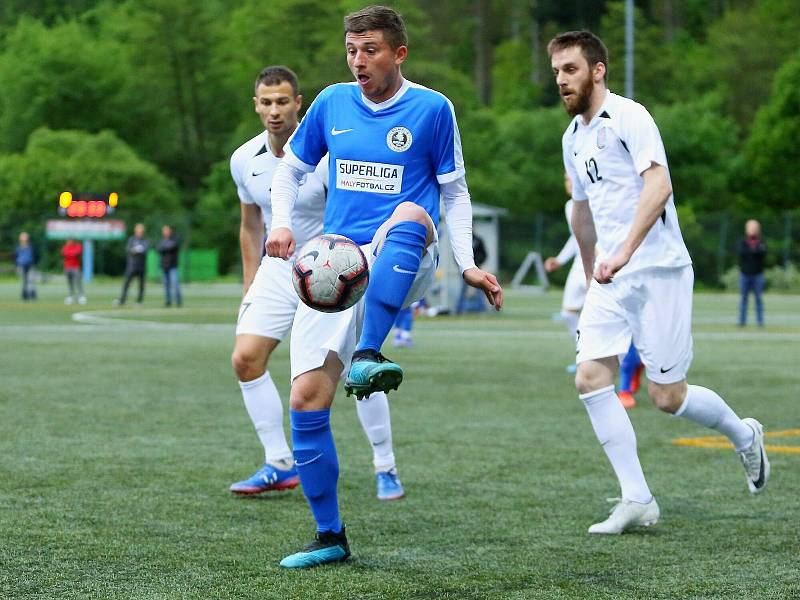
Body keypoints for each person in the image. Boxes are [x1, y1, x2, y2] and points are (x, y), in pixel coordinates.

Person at [266, 6, 503, 567]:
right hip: (335, 264)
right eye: (351, 49)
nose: (357, 60)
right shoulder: (329, 102)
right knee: (305, 400)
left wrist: (466, 262)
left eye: (369, 49)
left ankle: (371, 352)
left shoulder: (432, 108)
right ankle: (330, 538)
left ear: (398, 53)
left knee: (408, 215)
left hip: (404, 252)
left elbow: (454, 193)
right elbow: (289, 170)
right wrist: (281, 221)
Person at [550, 30, 769, 535]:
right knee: (590, 378)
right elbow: (581, 212)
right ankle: (638, 499)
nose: (561, 80)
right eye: (557, 71)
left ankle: (744, 435)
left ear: (598, 69)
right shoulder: (572, 138)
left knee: (667, 398)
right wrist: (590, 272)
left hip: (659, 271)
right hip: (610, 278)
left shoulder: (629, 116)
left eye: (571, 69)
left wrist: (623, 252)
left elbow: (659, 184)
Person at [228, 65, 406, 505]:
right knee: (245, 359)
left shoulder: (328, 158)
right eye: (266, 102)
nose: (274, 111)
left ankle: (385, 466)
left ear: (298, 103)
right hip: (277, 269)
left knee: (351, 370)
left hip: (333, 269)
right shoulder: (243, 160)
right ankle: (279, 463)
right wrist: (250, 284)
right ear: (256, 105)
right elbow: (251, 226)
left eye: (282, 101)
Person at [544, 174, 586, 373]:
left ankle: (622, 360)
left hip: (600, 263)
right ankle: (584, 356)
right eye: (566, 180)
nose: (568, 184)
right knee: (568, 313)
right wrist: (559, 260)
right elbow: (576, 238)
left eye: (572, 179)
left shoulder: (595, 200)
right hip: (580, 264)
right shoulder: (570, 206)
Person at [737, 219, 766, 327]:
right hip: (744, 274)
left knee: (758, 299)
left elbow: (762, 254)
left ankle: (760, 322)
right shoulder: (743, 242)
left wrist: (753, 251)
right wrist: (754, 251)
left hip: (758, 275)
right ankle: (741, 321)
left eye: (754, 228)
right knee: (744, 299)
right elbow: (742, 253)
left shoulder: (761, 242)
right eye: (750, 227)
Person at [114, 223, 149, 306]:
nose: (139, 233)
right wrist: (136, 250)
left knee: (141, 285)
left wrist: (138, 250)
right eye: (138, 231)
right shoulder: (132, 239)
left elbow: (145, 250)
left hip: (141, 266)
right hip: (132, 266)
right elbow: (129, 250)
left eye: (141, 231)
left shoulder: (145, 240)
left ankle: (139, 301)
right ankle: (122, 300)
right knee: (126, 283)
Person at [156, 225, 182, 307]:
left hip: (173, 265)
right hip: (164, 265)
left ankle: (178, 301)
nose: (165, 232)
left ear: (170, 231)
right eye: (164, 231)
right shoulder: (162, 240)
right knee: (166, 285)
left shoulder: (175, 239)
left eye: (166, 230)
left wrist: (164, 247)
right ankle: (168, 301)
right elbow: (158, 248)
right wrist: (164, 247)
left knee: (175, 283)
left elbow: (171, 247)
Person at [61, 239, 86, 305]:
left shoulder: (78, 246)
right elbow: (64, 253)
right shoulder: (65, 246)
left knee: (78, 282)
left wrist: (70, 254)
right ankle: (71, 296)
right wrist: (72, 253)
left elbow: (77, 253)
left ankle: (81, 296)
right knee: (70, 283)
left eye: (71, 241)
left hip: (76, 267)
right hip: (67, 267)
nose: (69, 242)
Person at [14, 231, 37, 301]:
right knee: (23, 281)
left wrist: (34, 263)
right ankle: (24, 294)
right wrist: (16, 265)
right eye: (22, 237)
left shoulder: (30, 247)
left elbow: (34, 256)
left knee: (30, 280)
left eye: (25, 236)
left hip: (29, 265)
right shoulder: (18, 247)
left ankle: (32, 294)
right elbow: (15, 256)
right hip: (21, 265)